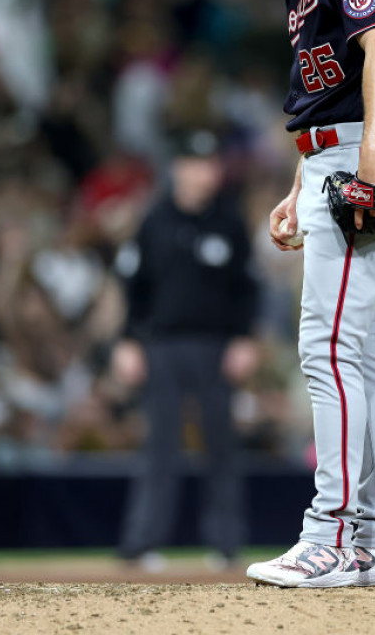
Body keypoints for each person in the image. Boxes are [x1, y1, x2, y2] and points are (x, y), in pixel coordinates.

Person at [190, 0, 375, 588]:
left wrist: (372, 160)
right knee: (360, 357)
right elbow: (333, 89)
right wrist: (302, 180)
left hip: (363, 158)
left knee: (327, 351)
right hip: (335, 156)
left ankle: (332, 534)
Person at [111, 129, 259, 569]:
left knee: (221, 445)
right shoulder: (154, 221)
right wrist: (127, 342)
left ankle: (227, 544)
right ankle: (142, 543)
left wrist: (244, 338)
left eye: (209, 164)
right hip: (163, 346)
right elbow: (134, 289)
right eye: (193, 165)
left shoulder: (229, 222)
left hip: (217, 347)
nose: (201, 174)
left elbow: (246, 289)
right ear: (177, 169)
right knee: (160, 445)